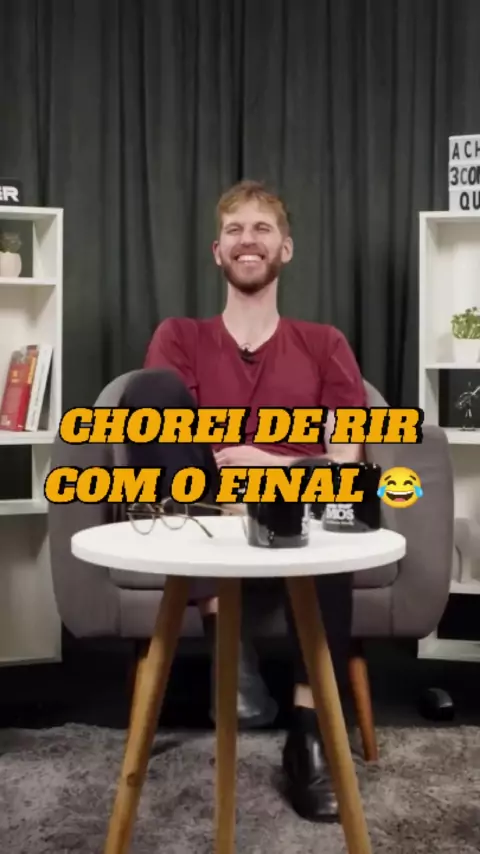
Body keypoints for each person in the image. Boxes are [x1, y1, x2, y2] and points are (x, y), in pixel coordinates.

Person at [120, 180, 366, 823]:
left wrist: (274, 466)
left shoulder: (325, 343)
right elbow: (168, 438)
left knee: (337, 514)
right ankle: (227, 646)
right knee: (149, 393)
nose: (247, 240)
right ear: (217, 251)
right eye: (234, 229)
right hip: (207, 509)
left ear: (286, 248)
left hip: (295, 507)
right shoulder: (180, 336)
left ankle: (309, 738)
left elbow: (346, 458)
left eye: (262, 229)